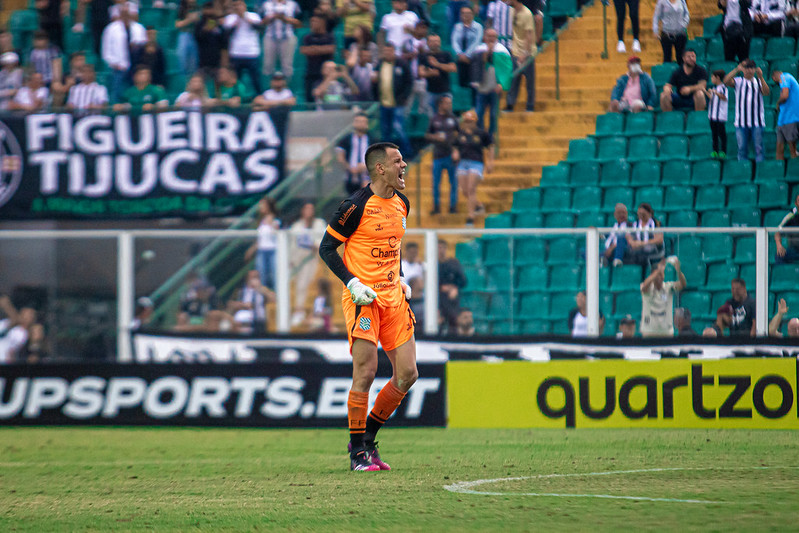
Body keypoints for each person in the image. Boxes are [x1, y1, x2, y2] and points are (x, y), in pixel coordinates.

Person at [318, 142, 416, 472]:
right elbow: (327, 248)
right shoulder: (355, 206)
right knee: (366, 372)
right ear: (380, 169)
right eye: (397, 161)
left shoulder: (402, 203)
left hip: (393, 298)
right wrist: (352, 282)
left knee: (407, 375)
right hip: (364, 299)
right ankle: (357, 453)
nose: (404, 165)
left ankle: (368, 439)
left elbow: (393, 247)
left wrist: (400, 276)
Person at [453, 109, 494, 226]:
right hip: (463, 162)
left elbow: (490, 146)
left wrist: (490, 162)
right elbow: (455, 146)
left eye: (470, 121)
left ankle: (470, 217)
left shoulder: (481, 133)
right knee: (465, 191)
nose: (468, 123)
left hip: (476, 162)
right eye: (466, 121)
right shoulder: (460, 134)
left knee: (471, 188)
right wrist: (455, 152)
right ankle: (478, 205)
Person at [724, 59, 770, 163]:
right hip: (741, 122)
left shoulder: (759, 81)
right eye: (746, 68)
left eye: (751, 68)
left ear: (755, 69)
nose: (749, 70)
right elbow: (726, 81)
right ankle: (743, 172)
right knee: (742, 149)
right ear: (743, 69)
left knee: (759, 149)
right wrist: (736, 69)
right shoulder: (738, 81)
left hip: (757, 122)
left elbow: (766, 92)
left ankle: (760, 172)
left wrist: (761, 77)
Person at [289, 202, 326, 327]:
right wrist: (291, 260)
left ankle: (303, 311)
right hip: (298, 259)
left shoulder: (319, 223)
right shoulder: (296, 226)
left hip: (312, 259)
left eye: (311, 209)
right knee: (297, 284)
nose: (309, 211)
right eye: (306, 209)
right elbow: (292, 244)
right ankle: (297, 311)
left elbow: (323, 241)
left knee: (304, 283)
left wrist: (314, 245)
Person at [101, 3, 147, 103]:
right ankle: (116, 108)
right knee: (117, 91)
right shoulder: (111, 29)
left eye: (127, 12)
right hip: (119, 68)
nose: (125, 14)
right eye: (123, 12)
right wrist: (115, 64)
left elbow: (144, 48)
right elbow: (106, 52)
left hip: (136, 67)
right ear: (120, 13)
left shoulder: (139, 28)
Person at [374, 44, 414, 157]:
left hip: (398, 103)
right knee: (385, 130)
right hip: (384, 103)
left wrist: (404, 97)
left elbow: (409, 82)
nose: (388, 53)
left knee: (398, 128)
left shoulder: (402, 64)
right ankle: (387, 154)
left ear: (394, 51)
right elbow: (374, 80)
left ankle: (407, 152)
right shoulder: (380, 64)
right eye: (385, 51)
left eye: (390, 51)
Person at [470, 29, 511, 138]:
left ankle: (491, 135)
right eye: (489, 36)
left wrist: (502, 84)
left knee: (493, 114)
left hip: (494, 89)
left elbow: (506, 69)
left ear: (496, 37)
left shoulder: (502, 51)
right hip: (482, 88)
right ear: (485, 37)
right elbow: (475, 66)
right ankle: (481, 134)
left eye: (493, 36)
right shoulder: (479, 50)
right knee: (479, 113)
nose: (491, 38)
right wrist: (487, 53)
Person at [426, 95, 460, 215]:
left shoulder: (453, 118)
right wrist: (435, 137)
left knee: (453, 183)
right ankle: (436, 206)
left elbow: (460, 135)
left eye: (450, 103)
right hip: (438, 155)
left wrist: (456, 150)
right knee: (436, 183)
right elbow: (427, 135)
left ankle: (453, 206)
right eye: (446, 103)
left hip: (450, 155)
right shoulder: (434, 119)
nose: (449, 105)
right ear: (440, 104)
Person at [223, 0, 264, 95]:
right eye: (235, 5)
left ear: (244, 6)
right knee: (236, 80)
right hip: (236, 53)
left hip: (252, 53)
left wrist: (244, 17)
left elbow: (258, 28)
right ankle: (237, 99)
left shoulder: (254, 16)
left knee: (255, 79)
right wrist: (237, 20)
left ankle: (259, 97)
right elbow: (227, 34)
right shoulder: (230, 18)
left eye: (240, 5)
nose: (238, 7)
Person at [639, 256, 686, 337]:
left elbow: (683, 285)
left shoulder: (668, 287)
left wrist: (678, 271)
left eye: (662, 274)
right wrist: (658, 271)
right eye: (658, 274)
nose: (660, 277)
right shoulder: (647, 287)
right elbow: (644, 287)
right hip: (649, 332)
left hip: (666, 332)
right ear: (652, 275)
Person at [505, 0, 536, 112]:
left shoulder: (527, 14)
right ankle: (510, 104)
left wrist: (525, 53)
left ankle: (530, 105)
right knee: (513, 79)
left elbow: (529, 35)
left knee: (530, 80)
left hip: (527, 53)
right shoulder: (512, 11)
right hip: (515, 50)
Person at [245, 196, 281, 290]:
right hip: (262, 250)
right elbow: (261, 239)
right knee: (261, 276)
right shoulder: (261, 221)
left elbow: (278, 234)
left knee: (274, 276)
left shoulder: (275, 220)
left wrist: (271, 223)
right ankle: (263, 300)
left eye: (263, 205)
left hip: (273, 250)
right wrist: (252, 249)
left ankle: (277, 298)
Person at [261, 0, 302, 81]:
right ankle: (269, 89)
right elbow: (261, 22)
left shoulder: (293, 4)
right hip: (270, 37)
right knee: (268, 65)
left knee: (287, 65)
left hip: (287, 37)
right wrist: (272, 17)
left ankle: (286, 88)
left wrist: (284, 18)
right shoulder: (266, 4)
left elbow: (299, 23)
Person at [300, 15, 336, 103]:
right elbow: (304, 50)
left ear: (322, 23)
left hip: (326, 74)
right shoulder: (307, 37)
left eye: (315, 21)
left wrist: (313, 48)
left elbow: (331, 49)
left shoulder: (329, 37)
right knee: (310, 97)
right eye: (311, 22)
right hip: (311, 72)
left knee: (326, 97)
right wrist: (322, 49)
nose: (312, 24)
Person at [228, 269, 275, 334]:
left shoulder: (263, 290)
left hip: (260, 320)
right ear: (247, 279)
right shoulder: (241, 291)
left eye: (257, 277)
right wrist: (243, 305)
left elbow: (274, 299)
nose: (254, 280)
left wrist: (260, 289)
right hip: (244, 318)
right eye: (253, 277)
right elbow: (230, 304)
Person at [336, 112, 373, 194]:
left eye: (363, 122)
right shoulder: (346, 139)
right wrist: (349, 167)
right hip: (351, 177)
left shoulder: (372, 139)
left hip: (367, 177)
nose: (360, 124)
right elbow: (340, 157)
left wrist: (366, 166)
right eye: (358, 121)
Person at [419, 34, 456, 112]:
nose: (435, 43)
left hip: (445, 91)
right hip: (431, 92)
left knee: (446, 114)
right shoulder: (424, 56)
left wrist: (437, 64)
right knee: (431, 117)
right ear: (428, 43)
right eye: (432, 41)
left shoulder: (446, 54)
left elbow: (453, 68)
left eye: (437, 41)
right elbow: (421, 72)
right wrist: (430, 73)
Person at [400, 21, 431, 116]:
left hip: (423, 79)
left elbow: (431, 58)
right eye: (421, 27)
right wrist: (411, 55)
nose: (423, 30)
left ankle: (424, 127)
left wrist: (423, 53)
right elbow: (401, 57)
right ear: (416, 28)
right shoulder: (408, 42)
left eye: (425, 28)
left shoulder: (428, 42)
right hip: (409, 78)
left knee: (424, 107)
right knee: (407, 106)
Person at [437, 239, 467, 333]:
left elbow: (463, 281)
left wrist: (455, 288)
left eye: (443, 248)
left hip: (452, 300)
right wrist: (441, 288)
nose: (441, 250)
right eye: (439, 248)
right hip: (437, 300)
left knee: (453, 323)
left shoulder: (453, 264)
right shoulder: (432, 265)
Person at [452, 6, 483, 93]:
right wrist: (459, 54)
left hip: (473, 57)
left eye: (468, 13)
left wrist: (467, 55)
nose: (466, 15)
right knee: (462, 82)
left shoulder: (478, 27)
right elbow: (454, 41)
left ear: (473, 15)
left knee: (473, 82)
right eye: (463, 13)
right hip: (460, 57)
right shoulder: (457, 27)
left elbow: (477, 41)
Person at [195, 1, 227, 82]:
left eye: (211, 9)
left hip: (217, 62)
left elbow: (224, 45)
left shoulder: (220, 26)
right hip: (203, 62)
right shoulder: (199, 24)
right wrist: (207, 28)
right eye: (207, 9)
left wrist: (223, 65)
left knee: (218, 85)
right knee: (202, 84)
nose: (209, 12)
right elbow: (198, 37)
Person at [626, 202, 664, 268]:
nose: (641, 216)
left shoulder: (656, 223)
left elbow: (659, 240)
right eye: (639, 214)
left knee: (641, 256)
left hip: (653, 250)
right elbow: (629, 237)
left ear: (649, 214)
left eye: (643, 214)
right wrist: (633, 243)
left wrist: (643, 243)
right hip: (638, 249)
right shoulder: (635, 224)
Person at [772, 67, 799, 160]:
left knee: (792, 149)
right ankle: (779, 170)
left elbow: (785, 96)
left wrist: (777, 103)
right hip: (783, 118)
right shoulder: (785, 80)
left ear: (774, 77)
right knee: (779, 147)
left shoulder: (784, 77)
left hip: (791, 117)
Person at [0, 296, 37, 364]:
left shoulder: (23, 333)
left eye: (31, 315)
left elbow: (12, 353)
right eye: (27, 314)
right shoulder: (6, 323)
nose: (29, 317)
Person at [652, 0, 689, 64]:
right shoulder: (661, 2)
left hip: (680, 33)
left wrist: (684, 24)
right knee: (667, 58)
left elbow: (686, 14)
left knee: (681, 58)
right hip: (667, 34)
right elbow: (656, 16)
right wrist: (655, 30)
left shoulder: (682, 1)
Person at [704, 69, 729, 159]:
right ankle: (715, 151)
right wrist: (706, 91)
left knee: (722, 134)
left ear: (717, 77)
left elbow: (724, 98)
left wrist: (716, 93)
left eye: (712, 77)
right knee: (714, 134)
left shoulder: (723, 88)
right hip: (712, 115)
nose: (711, 79)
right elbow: (711, 98)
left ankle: (723, 151)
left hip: (720, 116)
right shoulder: (714, 88)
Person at [176, 0, 201, 75]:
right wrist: (189, 20)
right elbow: (176, 25)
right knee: (182, 59)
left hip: (196, 35)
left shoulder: (198, 8)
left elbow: (210, 21)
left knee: (194, 62)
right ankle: (182, 78)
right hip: (183, 34)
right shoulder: (180, 8)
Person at [775, 193, 799, 264]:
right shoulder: (791, 216)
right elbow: (777, 233)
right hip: (794, 250)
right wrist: (779, 246)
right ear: (796, 203)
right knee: (779, 256)